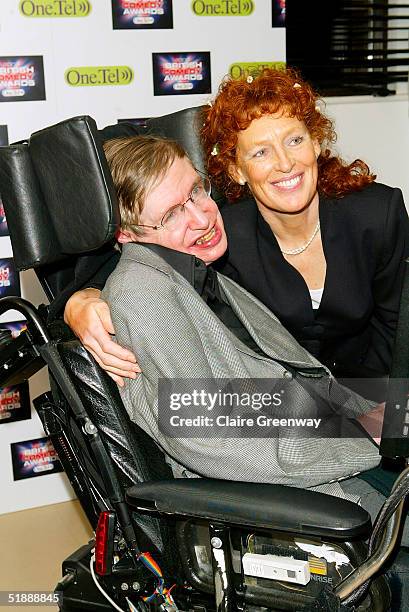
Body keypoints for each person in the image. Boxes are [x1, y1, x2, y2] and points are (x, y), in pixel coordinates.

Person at [63, 68, 409, 398]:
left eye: (294, 140)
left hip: (377, 399)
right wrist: (79, 299)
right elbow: (140, 251)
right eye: (260, 152)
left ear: (316, 143)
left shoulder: (377, 213)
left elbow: (399, 330)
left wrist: (384, 416)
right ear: (236, 169)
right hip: (287, 418)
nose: (285, 163)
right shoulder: (220, 230)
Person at [98, 132, 382, 500]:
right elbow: (211, 437)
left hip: (327, 441)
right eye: (172, 214)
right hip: (309, 489)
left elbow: (283, 387)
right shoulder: (143, 292)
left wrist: (385, 420)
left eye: (197, 192)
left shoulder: (193, 271)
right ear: (126, 233)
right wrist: (363, 437)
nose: (203, 218)